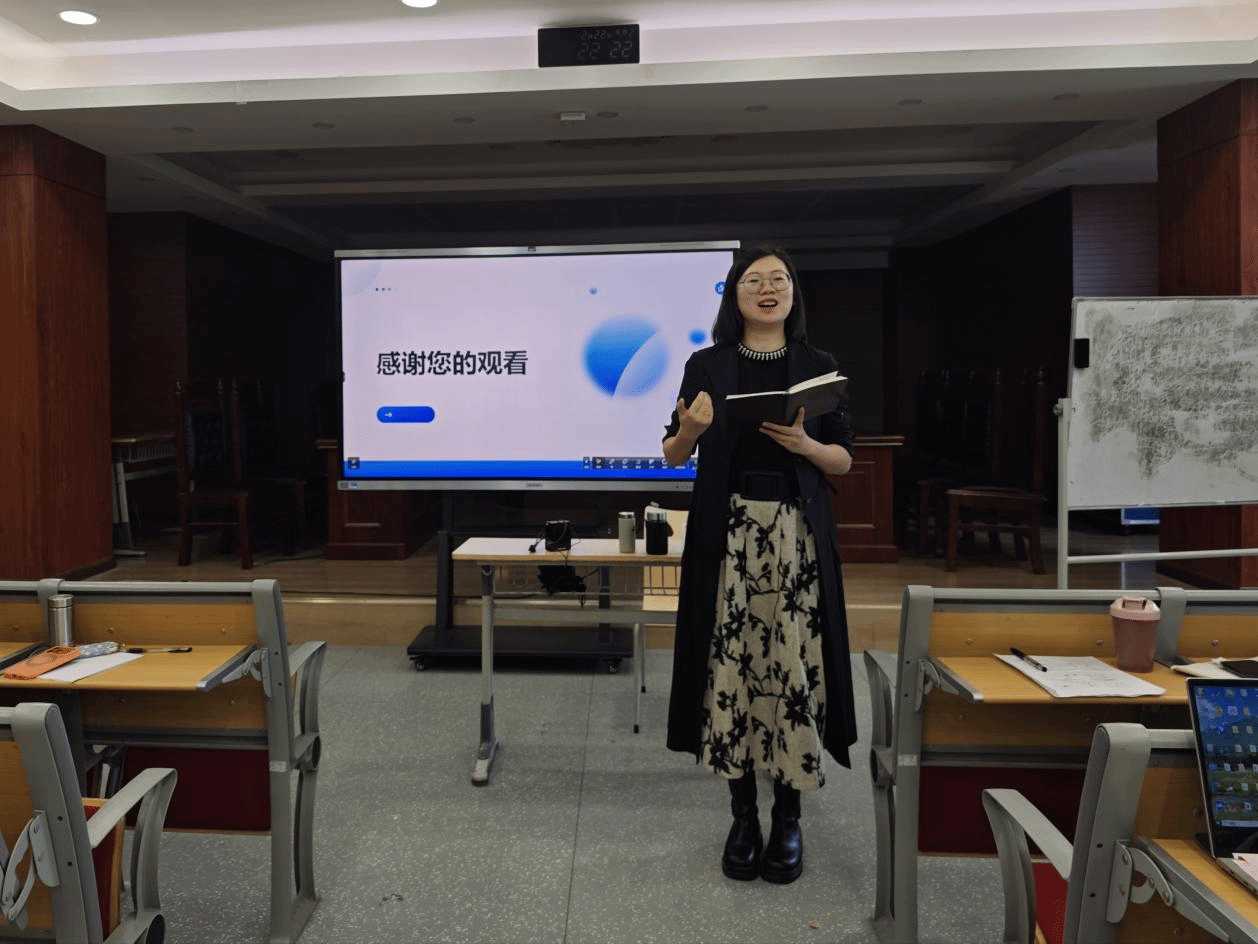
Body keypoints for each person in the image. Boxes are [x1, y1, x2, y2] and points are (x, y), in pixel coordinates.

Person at [661, 246, 857, 885]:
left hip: (796, 540)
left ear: (793, 292)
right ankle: (742, 816)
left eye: (778, 279)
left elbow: (844, 459)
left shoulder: (818, 366)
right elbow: (672, 455)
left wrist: (806, 445)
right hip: (729, 537)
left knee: (790, 666)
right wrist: (690, 431)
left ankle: (789, 816)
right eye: (754, 280)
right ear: (734, 294)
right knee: (734, 666)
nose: (767, 288)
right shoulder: (706, 364)